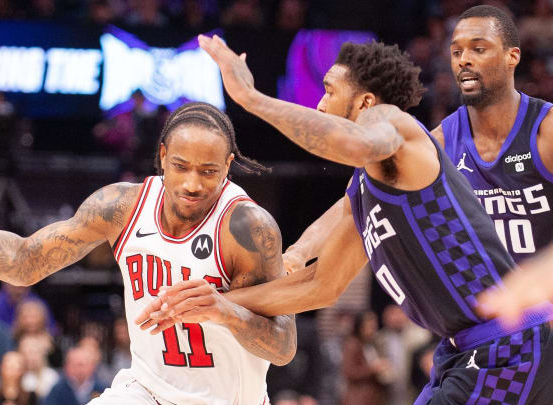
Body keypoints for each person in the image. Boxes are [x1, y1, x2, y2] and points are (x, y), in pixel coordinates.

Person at [137, 35, 553, 404]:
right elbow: (321, 286)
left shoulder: (392, 124)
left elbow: (353, 142)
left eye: (328, 90)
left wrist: (249, 97)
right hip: (470, 350)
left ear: (365, 101)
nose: (319, 104)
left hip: (508, 345)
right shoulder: (369, 186)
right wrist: (215, 302)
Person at [0, 102, 297, 404]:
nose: (193, 183)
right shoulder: (120, 206)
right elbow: (25, 262)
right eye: (181, 166)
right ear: (161, 158)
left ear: (227, 166)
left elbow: (283, 346)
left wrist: (224, 311)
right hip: (146, 392)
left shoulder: (247, 228)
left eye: (208, 171)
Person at [428, 5, 553, 324]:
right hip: (485, 329)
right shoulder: (441, 143)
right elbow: (358, 200)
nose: (463, 60)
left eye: (478, 49)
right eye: (456, 51)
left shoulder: (545, 130)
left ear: (513, 56)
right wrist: (301, 253)